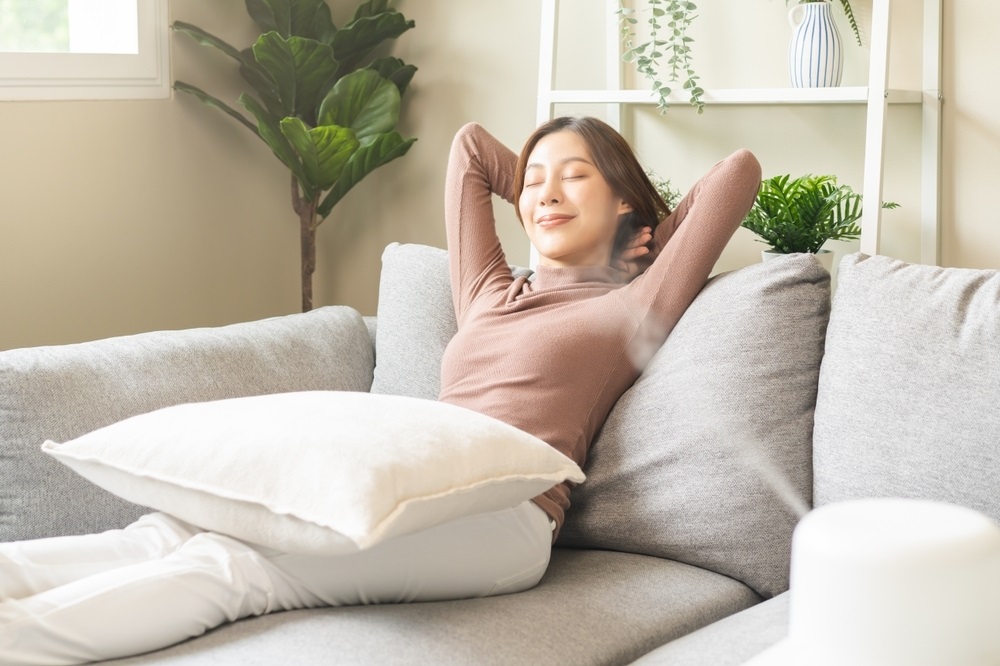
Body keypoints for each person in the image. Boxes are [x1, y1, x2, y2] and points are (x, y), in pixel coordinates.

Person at [0, 116, 760, 664]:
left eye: (575, 177)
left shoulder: (632, 306)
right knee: (163, 536)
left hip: (504, 525)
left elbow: (737, 174)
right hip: (406, 485)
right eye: (532, 181)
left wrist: (646, 229)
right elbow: (468, 151)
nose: (544, 194)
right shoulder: (490, 292)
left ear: (625, 200)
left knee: (235, 572)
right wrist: (543, 168)